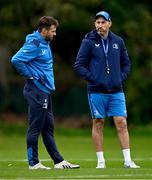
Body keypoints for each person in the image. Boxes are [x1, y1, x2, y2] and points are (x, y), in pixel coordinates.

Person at [11, 16, 80, 170]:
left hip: (44, 91)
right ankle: (33, 163)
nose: (55, 34)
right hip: (36, 90)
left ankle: (59, 161)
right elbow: (16, 60)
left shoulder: (45, 42)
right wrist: (30, 75)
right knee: (35, 128)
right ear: (44, 30)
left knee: (48, 128)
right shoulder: (35, 43)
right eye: (53, 31)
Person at [74, 11, 140, 169]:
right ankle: (101, 161)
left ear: (110, 23)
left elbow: (126, 64)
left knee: (121, 122)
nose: (100, 25)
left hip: (116, 90)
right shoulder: (88, 41)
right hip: (96, 90)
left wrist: (120, 78)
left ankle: (128, 161)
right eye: (97, 22)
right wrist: (94, 78)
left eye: (103, 22)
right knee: (98, 123)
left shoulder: (118, 41)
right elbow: (79, 65)